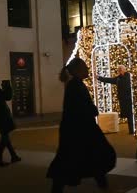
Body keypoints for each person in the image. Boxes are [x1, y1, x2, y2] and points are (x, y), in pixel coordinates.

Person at [47, 58, 116, 193]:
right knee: (91, 158)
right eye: (85, 67)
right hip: (80, 131)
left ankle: (103, 186)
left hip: (76, 130)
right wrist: (93, 110)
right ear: (78, 70)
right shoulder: (76, 85)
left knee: (82, 160)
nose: (87, 70)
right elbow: (81, 108)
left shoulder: (74, 84)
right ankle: (104, 186)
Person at [97, 65, 134, 134]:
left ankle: (132, 130)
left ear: (124, 70)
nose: (119, 70)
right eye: (118, 69)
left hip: (129, 99)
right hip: (123, 99)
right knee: (128, 114)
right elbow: (110, 80)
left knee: (130, 114)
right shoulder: (118, 78)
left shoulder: (128, 76)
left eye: (120, 69)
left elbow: (127, 84)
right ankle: (132, 130)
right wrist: (100, 78)